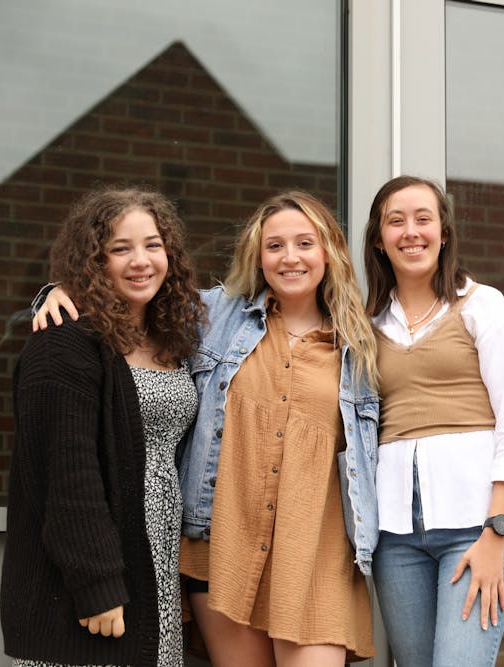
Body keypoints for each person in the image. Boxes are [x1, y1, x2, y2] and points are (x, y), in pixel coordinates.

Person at [34, 191, 380, 667]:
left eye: (305, 243)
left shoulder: (362, 343)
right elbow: (134, 286)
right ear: (258, 256)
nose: (290, 257)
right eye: (275, 245)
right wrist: (60, 290)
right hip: (223, 544)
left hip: (314, 552)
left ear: (329, 252)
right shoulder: (216, 315)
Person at [1, 187, 206, 667]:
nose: (141, 261)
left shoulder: (173, 335)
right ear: (92, 260)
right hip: (88, 576)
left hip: (154, 561)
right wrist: (96, 585)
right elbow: (67, 474)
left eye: (153, 245)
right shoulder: (64, 345)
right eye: (120, 248)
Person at [363, 175, 504, 667]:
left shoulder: (482, 305)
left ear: (444, 232)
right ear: (379, 238)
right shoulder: (367, 323)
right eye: (395, 221)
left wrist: (496, 532)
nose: (410, 231)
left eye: (423, 218)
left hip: (474, 529)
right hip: (396, 540)